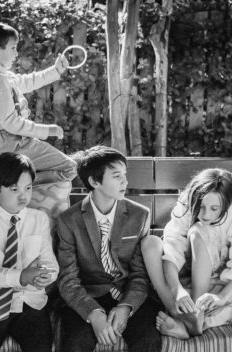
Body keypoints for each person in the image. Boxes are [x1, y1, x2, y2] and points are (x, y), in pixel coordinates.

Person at [55, 146, 161, 352]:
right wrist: (93, 314)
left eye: (125, 174)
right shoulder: (69, 221)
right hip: (87, 295)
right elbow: (68, 279)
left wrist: (125, 307)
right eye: (116, 176)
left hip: (127, 293)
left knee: (148, 340)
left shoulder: (139, 215)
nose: (125, 181)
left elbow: (140, 274)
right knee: (76, 343)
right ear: (94, 182)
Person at [0, 20, 76, 220]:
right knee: (69, 168)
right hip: (15, 144)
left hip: (16, 142)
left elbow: (28, 81)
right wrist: (47, 131)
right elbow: (11, 122)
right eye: (12, 48)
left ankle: (14, 190)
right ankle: (11, 193)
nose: (16, 53)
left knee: (53, 171)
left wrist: (56, 71)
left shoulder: (1, 76)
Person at [141, 168, 232, 338]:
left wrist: (222, 297)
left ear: (226, 203)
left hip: (210, 266)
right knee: (149, 243)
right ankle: (176, 311)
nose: (206, 214)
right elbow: (172, 249)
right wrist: (178, 290)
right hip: (181, 269)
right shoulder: (186, 204)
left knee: (198, 230)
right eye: (201, 207)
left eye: (214, 208)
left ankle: (195, 317)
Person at [0, 152, 58, 352]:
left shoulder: (39, 219)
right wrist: (22, 276)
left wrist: (45, 275)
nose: (23, 195)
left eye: (28, 188)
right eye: (14, 189)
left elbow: (50, 264)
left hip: (30, 302)